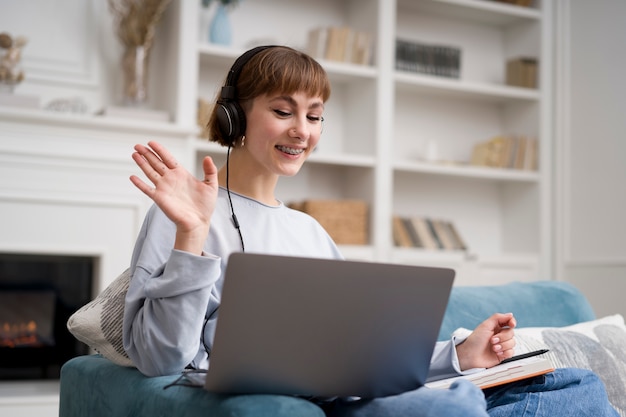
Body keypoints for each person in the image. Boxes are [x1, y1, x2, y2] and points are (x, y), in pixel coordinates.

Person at [122, 45, 618, 417]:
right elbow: (158, 357)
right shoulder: (181, 212)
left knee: (578, 386)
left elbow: (363, 348)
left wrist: (461, 355)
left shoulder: (309, 230)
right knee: (455, 408)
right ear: (235, 116)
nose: (303, 130)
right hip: (310, 396)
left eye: (314, 116)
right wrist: (192, 234)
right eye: (282, 111)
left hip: (355, 386)